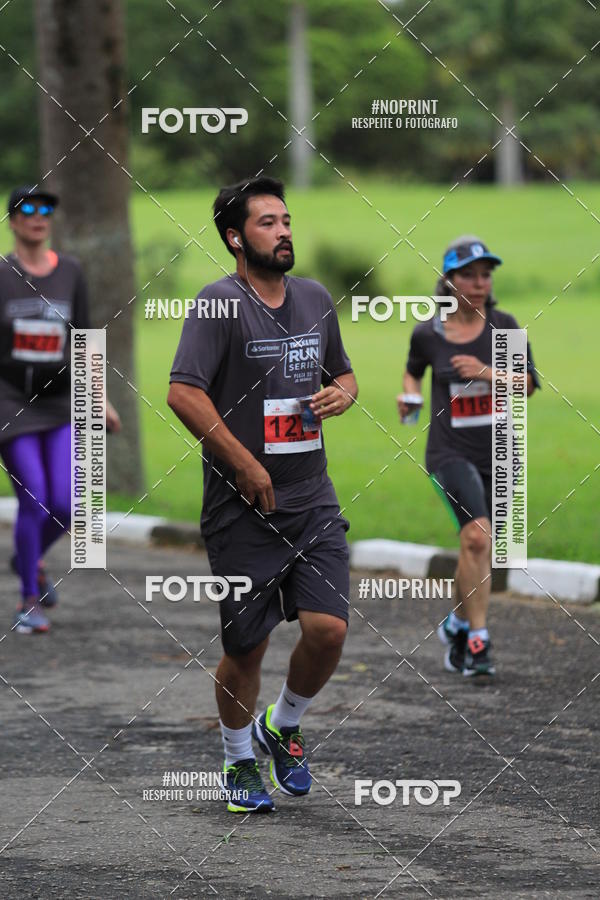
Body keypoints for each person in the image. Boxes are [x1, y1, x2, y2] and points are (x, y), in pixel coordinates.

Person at [168, 176, 357, 813]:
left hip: (312, 498)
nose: (284, 231)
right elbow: (184, 393)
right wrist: (246, 465)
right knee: (245, 647)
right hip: (241, 508)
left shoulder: (314, 298)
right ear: (234, 238)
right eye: (268, 223)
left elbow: (344, 372)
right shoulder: (217, 303)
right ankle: (239, 757)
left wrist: (344, 394)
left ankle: (285, 722)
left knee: (329, 631)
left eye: (286, 220)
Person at [398, 236, 539, 676]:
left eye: (485, 275)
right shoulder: (428, 333)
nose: (479, 283)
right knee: (477, 537)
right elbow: (413, 370)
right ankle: (478, 642)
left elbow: (528, 385)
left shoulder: (505, 326)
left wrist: (485, 372)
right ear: (449, 280)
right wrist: (410, 396)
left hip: (500, 452)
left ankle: (458, 621)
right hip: (449, 451)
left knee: (477, 547)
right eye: (469, 275)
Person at [0, 185, 121, 634]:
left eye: (46, 208)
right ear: (13, 221)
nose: (39, 216)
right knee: (34, 496)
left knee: (69, 505)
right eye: (28, 209)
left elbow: (85, 340)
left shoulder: (70, 272)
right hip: (9, 402)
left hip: (59, 402)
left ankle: (25, 559)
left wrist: (100, 397)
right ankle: (27, 601)